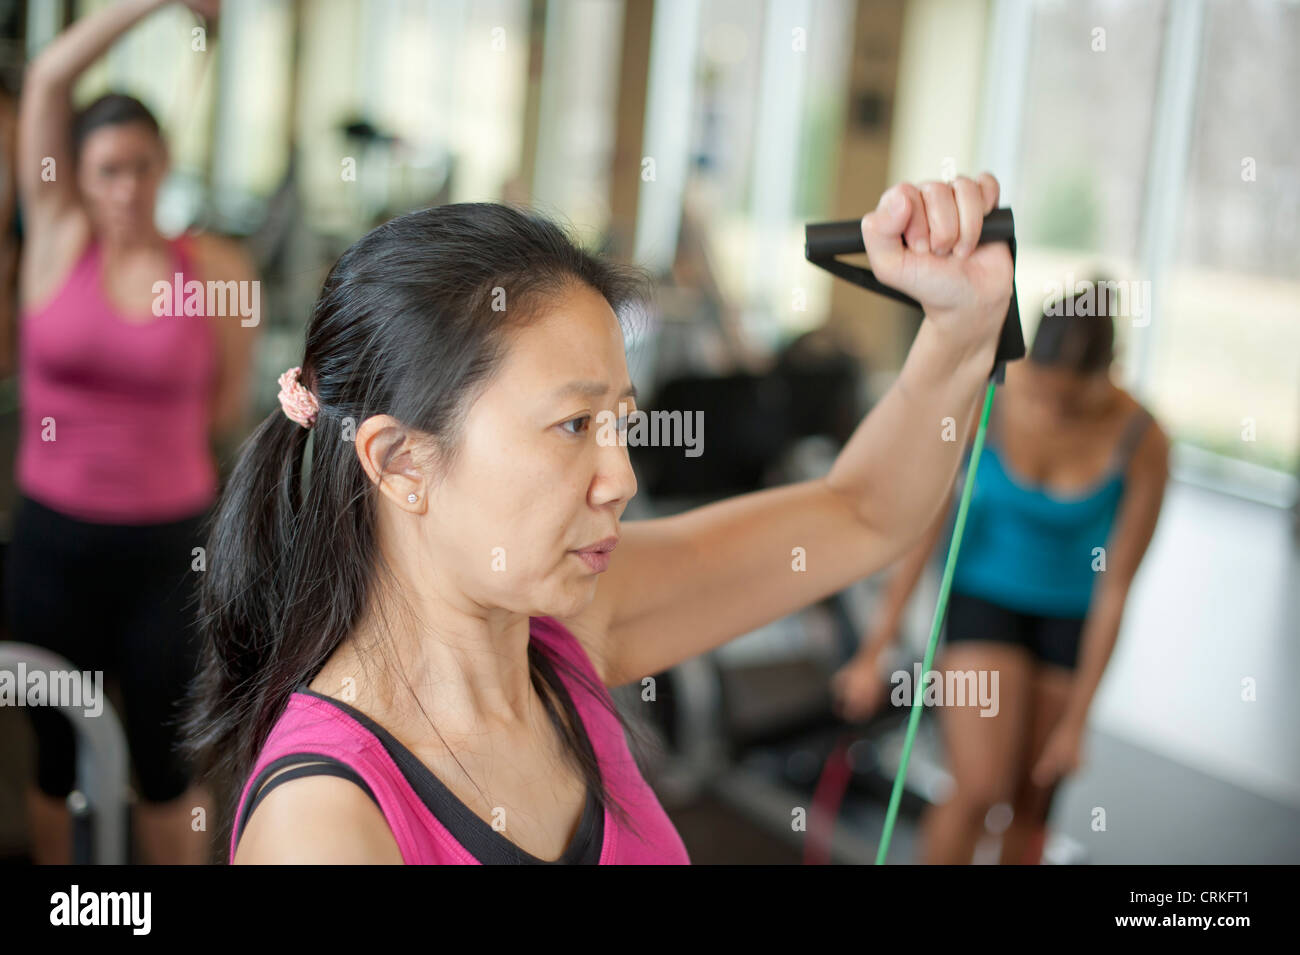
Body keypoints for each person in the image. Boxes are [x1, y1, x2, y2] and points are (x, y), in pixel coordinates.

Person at [184, 173, 1015, 864]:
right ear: (401, 460)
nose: (618, 478)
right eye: (574, 426)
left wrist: (961, 328)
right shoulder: (325, 824)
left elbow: (862, 514)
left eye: (621, 421)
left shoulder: (567, 630)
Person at [6, 0, 257, 864]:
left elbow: (225, 407)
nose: (125, 187)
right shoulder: (55, 242)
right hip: (51, 542)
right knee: (51, 755)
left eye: (142, 168)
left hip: (167, 550)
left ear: (164, 167)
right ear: (72, 173)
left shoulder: (214, 270)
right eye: (107, 168)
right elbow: (49, 77)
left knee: (165, 761)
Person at [831, 282, 1171, 864]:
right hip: (984, 600)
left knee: (1030, 801)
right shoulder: (990, 397)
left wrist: (1079, 721)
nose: (1053, 408)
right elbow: (925, 533)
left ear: (1109, 373)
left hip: (1072, 616)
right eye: (1044, 388)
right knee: (980, 788)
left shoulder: (1143, 437)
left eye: (1072, 400)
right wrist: (874, 648)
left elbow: (1115, 589)